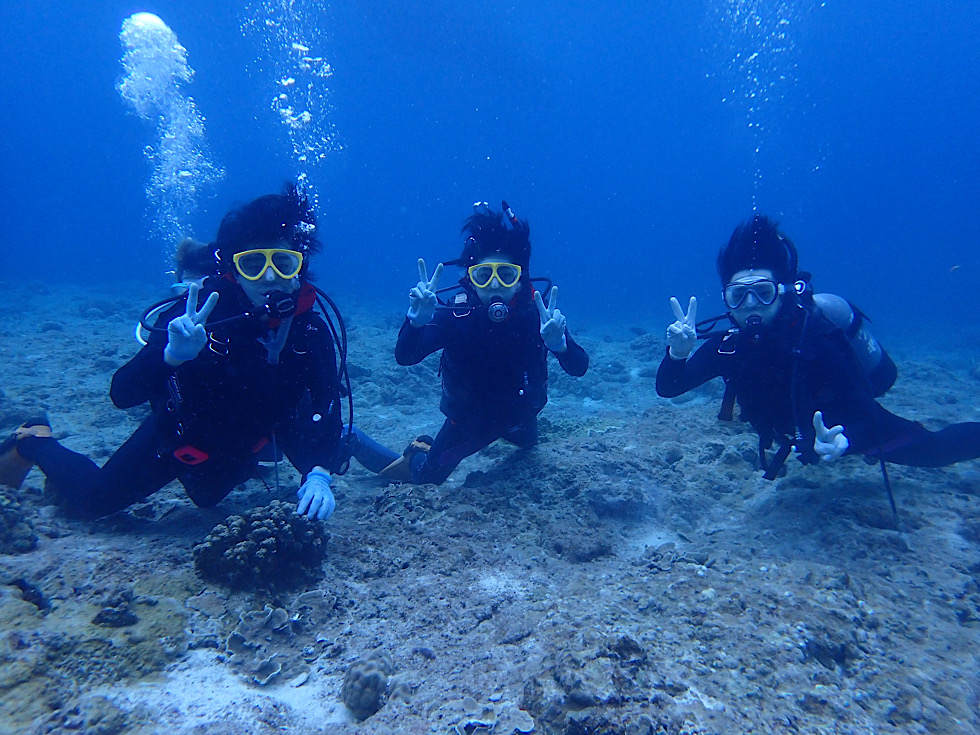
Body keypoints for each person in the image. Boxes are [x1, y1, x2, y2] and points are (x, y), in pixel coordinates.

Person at [0, 183, 397, 520]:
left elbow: (327, 407)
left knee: (210, 498)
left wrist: (319, 474)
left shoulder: (311, 330)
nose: (271, 276)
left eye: (284, 261)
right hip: (181, 436)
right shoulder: (197, 316)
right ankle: (33, 440)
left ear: (300, 266)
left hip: (256, 438)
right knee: (88, 504)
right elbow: (122, 394)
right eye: (253, 263)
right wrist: (171, 355)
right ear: (232, 270)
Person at [656, 214, 980, 479]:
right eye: (738, 295)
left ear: (782, 293)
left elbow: (866, 415)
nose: (751, 304)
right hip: (805, 436)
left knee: (934, 451)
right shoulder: (727, 347)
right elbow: (669, 387)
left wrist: (846, 440)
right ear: (726, 300)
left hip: (847, 426)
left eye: (763, 292)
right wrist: (678, 354)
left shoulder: (817, 342)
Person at [382, 200, 590, 484]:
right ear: (470, 279)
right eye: (483, 275)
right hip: (467, 423)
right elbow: (406, 356)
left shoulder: (536, 318)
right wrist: (416, 322)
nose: (494, 285)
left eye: (505, 275)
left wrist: (560, 346)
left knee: (529, 447)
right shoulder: (456, 315)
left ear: (519, 280)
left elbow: (579, 367)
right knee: (425, 480)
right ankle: (417, 451)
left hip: (520, 416)